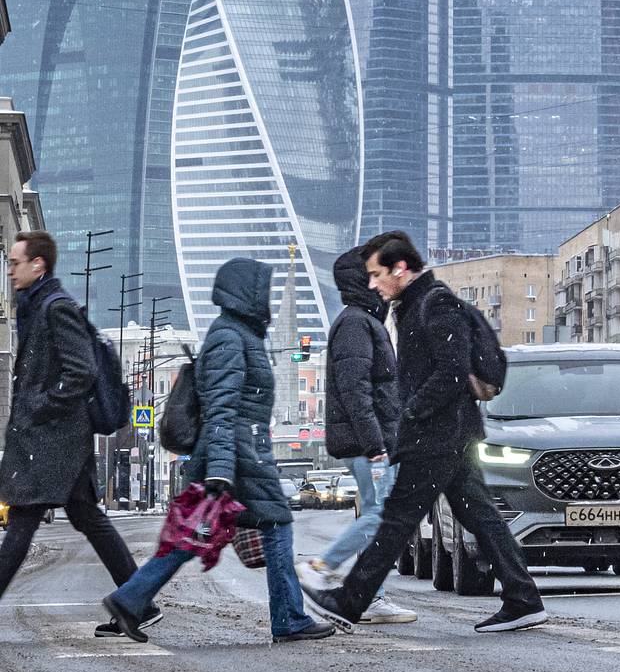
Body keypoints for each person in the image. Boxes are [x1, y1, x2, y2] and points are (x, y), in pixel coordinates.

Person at [302, 231, 546, 634]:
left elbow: (451, 372)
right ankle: (523, 598)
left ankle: (348, 602)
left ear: (401, 269)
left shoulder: (436, 302)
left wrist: (411, 414)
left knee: (396, 519)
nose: (372, 283)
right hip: (447, 434)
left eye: (377, 274)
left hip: (437, 434)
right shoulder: (411, 306)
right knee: (479, 515)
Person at [102, 258, 333, 644]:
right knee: (271, 527)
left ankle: (130, 600)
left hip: (238, 452)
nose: (269, 300)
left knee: (194, 534)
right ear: (247, 293)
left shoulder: (238, 334)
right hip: (237, 455)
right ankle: (289, 619)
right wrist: (222, 469)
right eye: (264, 291)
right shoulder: (230, 338)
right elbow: (220, 408)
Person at [0, 231, 152, 629]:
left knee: (22, 520)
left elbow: (81, 370)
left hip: (55, 440)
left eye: (15, 262)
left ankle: (139, 602)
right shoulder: (35, 306)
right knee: (87, 518)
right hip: (56, 438)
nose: (10, 269)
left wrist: (40, 405)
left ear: (38, 265)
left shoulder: (56, 308)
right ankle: (138, 602)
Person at [299, 248, 416, 624]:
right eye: (375, 273)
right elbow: (355, 390)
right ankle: (322, 565)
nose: (383, 280)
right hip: (372, 443)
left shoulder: (365, 321)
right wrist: (376, 444)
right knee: (380, 517)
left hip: (376, 439)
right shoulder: (355, 323)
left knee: (374, 513)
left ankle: (372, 596)